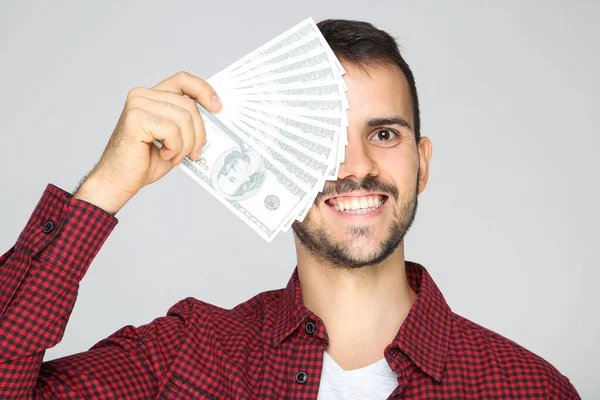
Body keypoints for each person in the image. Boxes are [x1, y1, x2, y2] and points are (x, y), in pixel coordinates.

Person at [0, 19, 579, 399]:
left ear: (422, 163)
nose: (354, 167)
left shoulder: (528, 387)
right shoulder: (184, 356)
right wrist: (105, 187)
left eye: (383, 135)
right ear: (276, 160)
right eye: (321, 139)